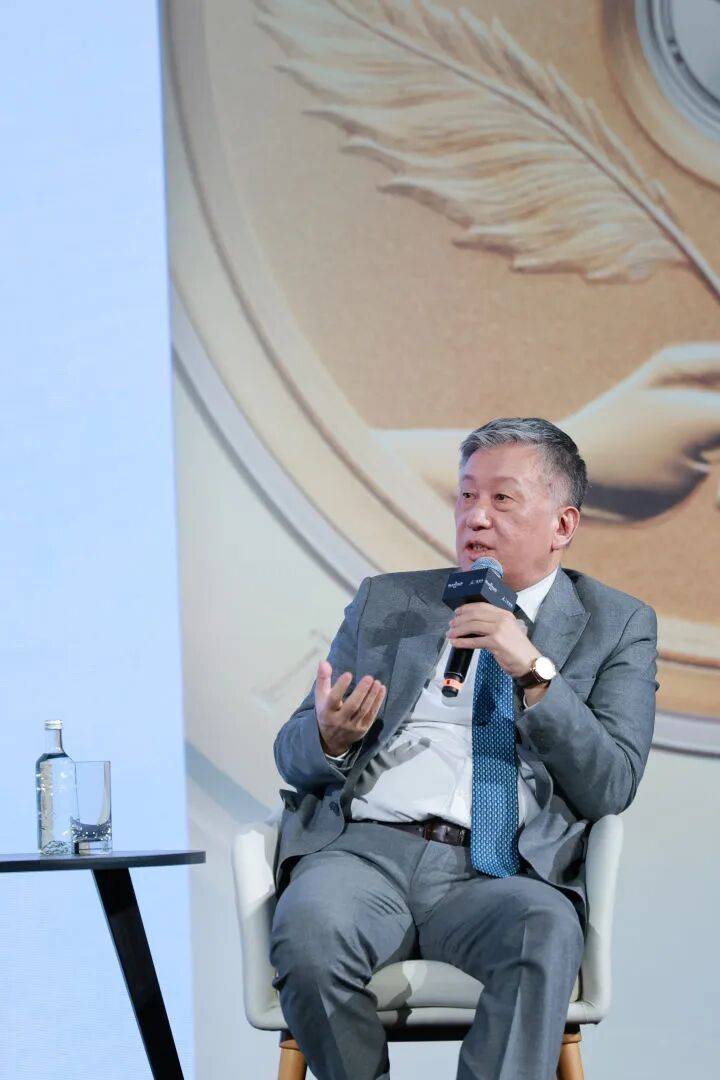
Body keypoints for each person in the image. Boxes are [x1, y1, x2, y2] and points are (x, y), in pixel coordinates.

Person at [269, 416, 659, 1080]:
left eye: (502, 498)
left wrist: (530, 668)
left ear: (563, 525)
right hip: (364, 855)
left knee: (544, 932)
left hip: (502, 871)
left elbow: (611, 784)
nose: (475, 517)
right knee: (309, 933)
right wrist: (330, 739)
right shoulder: (389, 601)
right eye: (466, 495)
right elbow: (292, 753)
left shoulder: (618, 623)